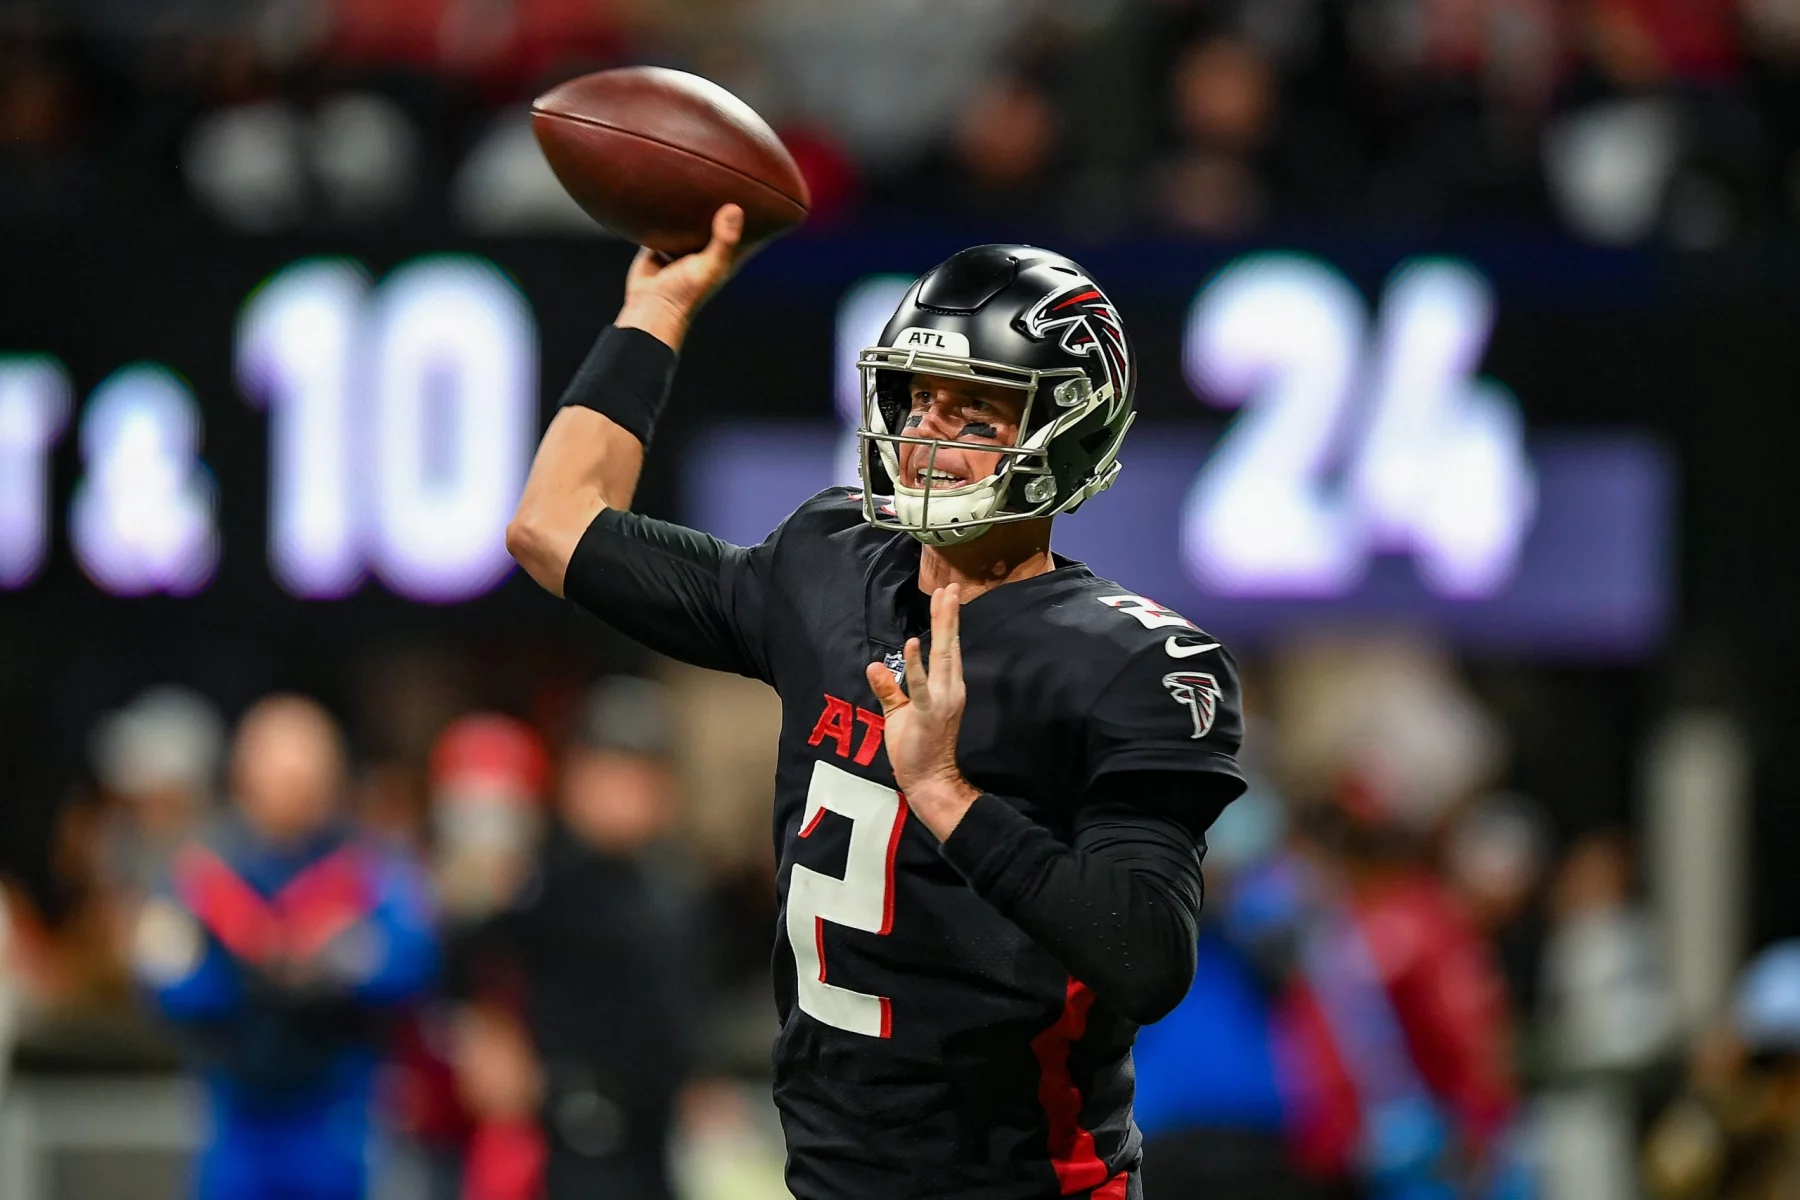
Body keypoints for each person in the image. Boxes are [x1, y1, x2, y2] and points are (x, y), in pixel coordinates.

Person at [505, 205, 1248, 1198]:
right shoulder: (829, 564)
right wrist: (658, 311)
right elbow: (554, 526)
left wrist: (946, 795)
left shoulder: (1129, 663)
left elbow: (1147, 959)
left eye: (975, 414)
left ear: (1067, 432)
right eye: (918, 400)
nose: (929, 434)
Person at [132, 694, 438, 1200]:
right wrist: (242, 966)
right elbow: (165, 979)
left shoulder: (370, 867)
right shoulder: (204, 872)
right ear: (245, 776)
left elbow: (410, 964)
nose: (293, 793)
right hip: (239, 1107)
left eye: (307, 778)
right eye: (279, 776)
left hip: (336, 1107)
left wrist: (333, 963)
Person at [452, 679, 699, 1200]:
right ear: (576, 776)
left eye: (642, 774)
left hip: (652, 1143)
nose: (626, 792)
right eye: (611, 770)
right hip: (558, 1141)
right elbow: (465, 956)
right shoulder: (539, 876)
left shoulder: (676, 890)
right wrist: (483, 1032)